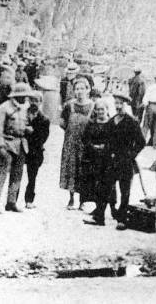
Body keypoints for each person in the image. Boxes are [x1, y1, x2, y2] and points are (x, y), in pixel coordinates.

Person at [0, 83, 34, 213]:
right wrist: (1, 145)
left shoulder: (25, 107)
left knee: (17, 174)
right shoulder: (4, 107)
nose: (25, 98)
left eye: (26, 96)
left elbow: (25, 122)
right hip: (7, 143)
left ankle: (11, 202)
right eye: (22, 96)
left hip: (21, 143)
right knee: (2, 173)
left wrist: (27, 129)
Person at [79, 99, 117, 226]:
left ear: (107, 110)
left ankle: (112, 209)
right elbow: (85, 138)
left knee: (108, 185)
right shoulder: (92, 124)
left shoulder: (112, 124)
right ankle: (98, 210)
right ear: (95, 111)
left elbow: (113, 140)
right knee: (95, 185)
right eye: (98, 109)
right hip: (93, 158)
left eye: (103, 109)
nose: (100, 112)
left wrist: (104, 147)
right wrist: (93, 147)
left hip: (107, 159)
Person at [59, 77, 95, 210]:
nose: (79, 91)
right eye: (77, 89)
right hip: (71, 143)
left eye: (82, 88)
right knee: (71, 169)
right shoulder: (69, 105)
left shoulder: (92, 106)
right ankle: (71, 198)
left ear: (88, 90)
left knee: (84, 170)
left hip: (86, 144)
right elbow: (62, 122)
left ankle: (82, 201)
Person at [111, 93, 145, 230]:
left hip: (125, 161)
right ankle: (113, 209)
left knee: (125, 190)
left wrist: (131, 154)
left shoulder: (132, 122)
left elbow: (141, 142)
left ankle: (122, 218)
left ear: (126, 105)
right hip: (112, 160)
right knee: (109, 187)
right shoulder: (112, 121)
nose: (118, 106)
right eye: (116, 103)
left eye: (121, 104)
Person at [23, 91, 50, 210]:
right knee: (16, 174)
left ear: (40, 102)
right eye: (31, 100)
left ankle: (29, 200)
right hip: (21, 148)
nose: (33, 103)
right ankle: (12, 199)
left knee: (32, 177)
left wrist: (31, 132)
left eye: (36, 100)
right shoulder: (22, 114)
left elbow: (42, 138)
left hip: (35, 151)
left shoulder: (44, 119)